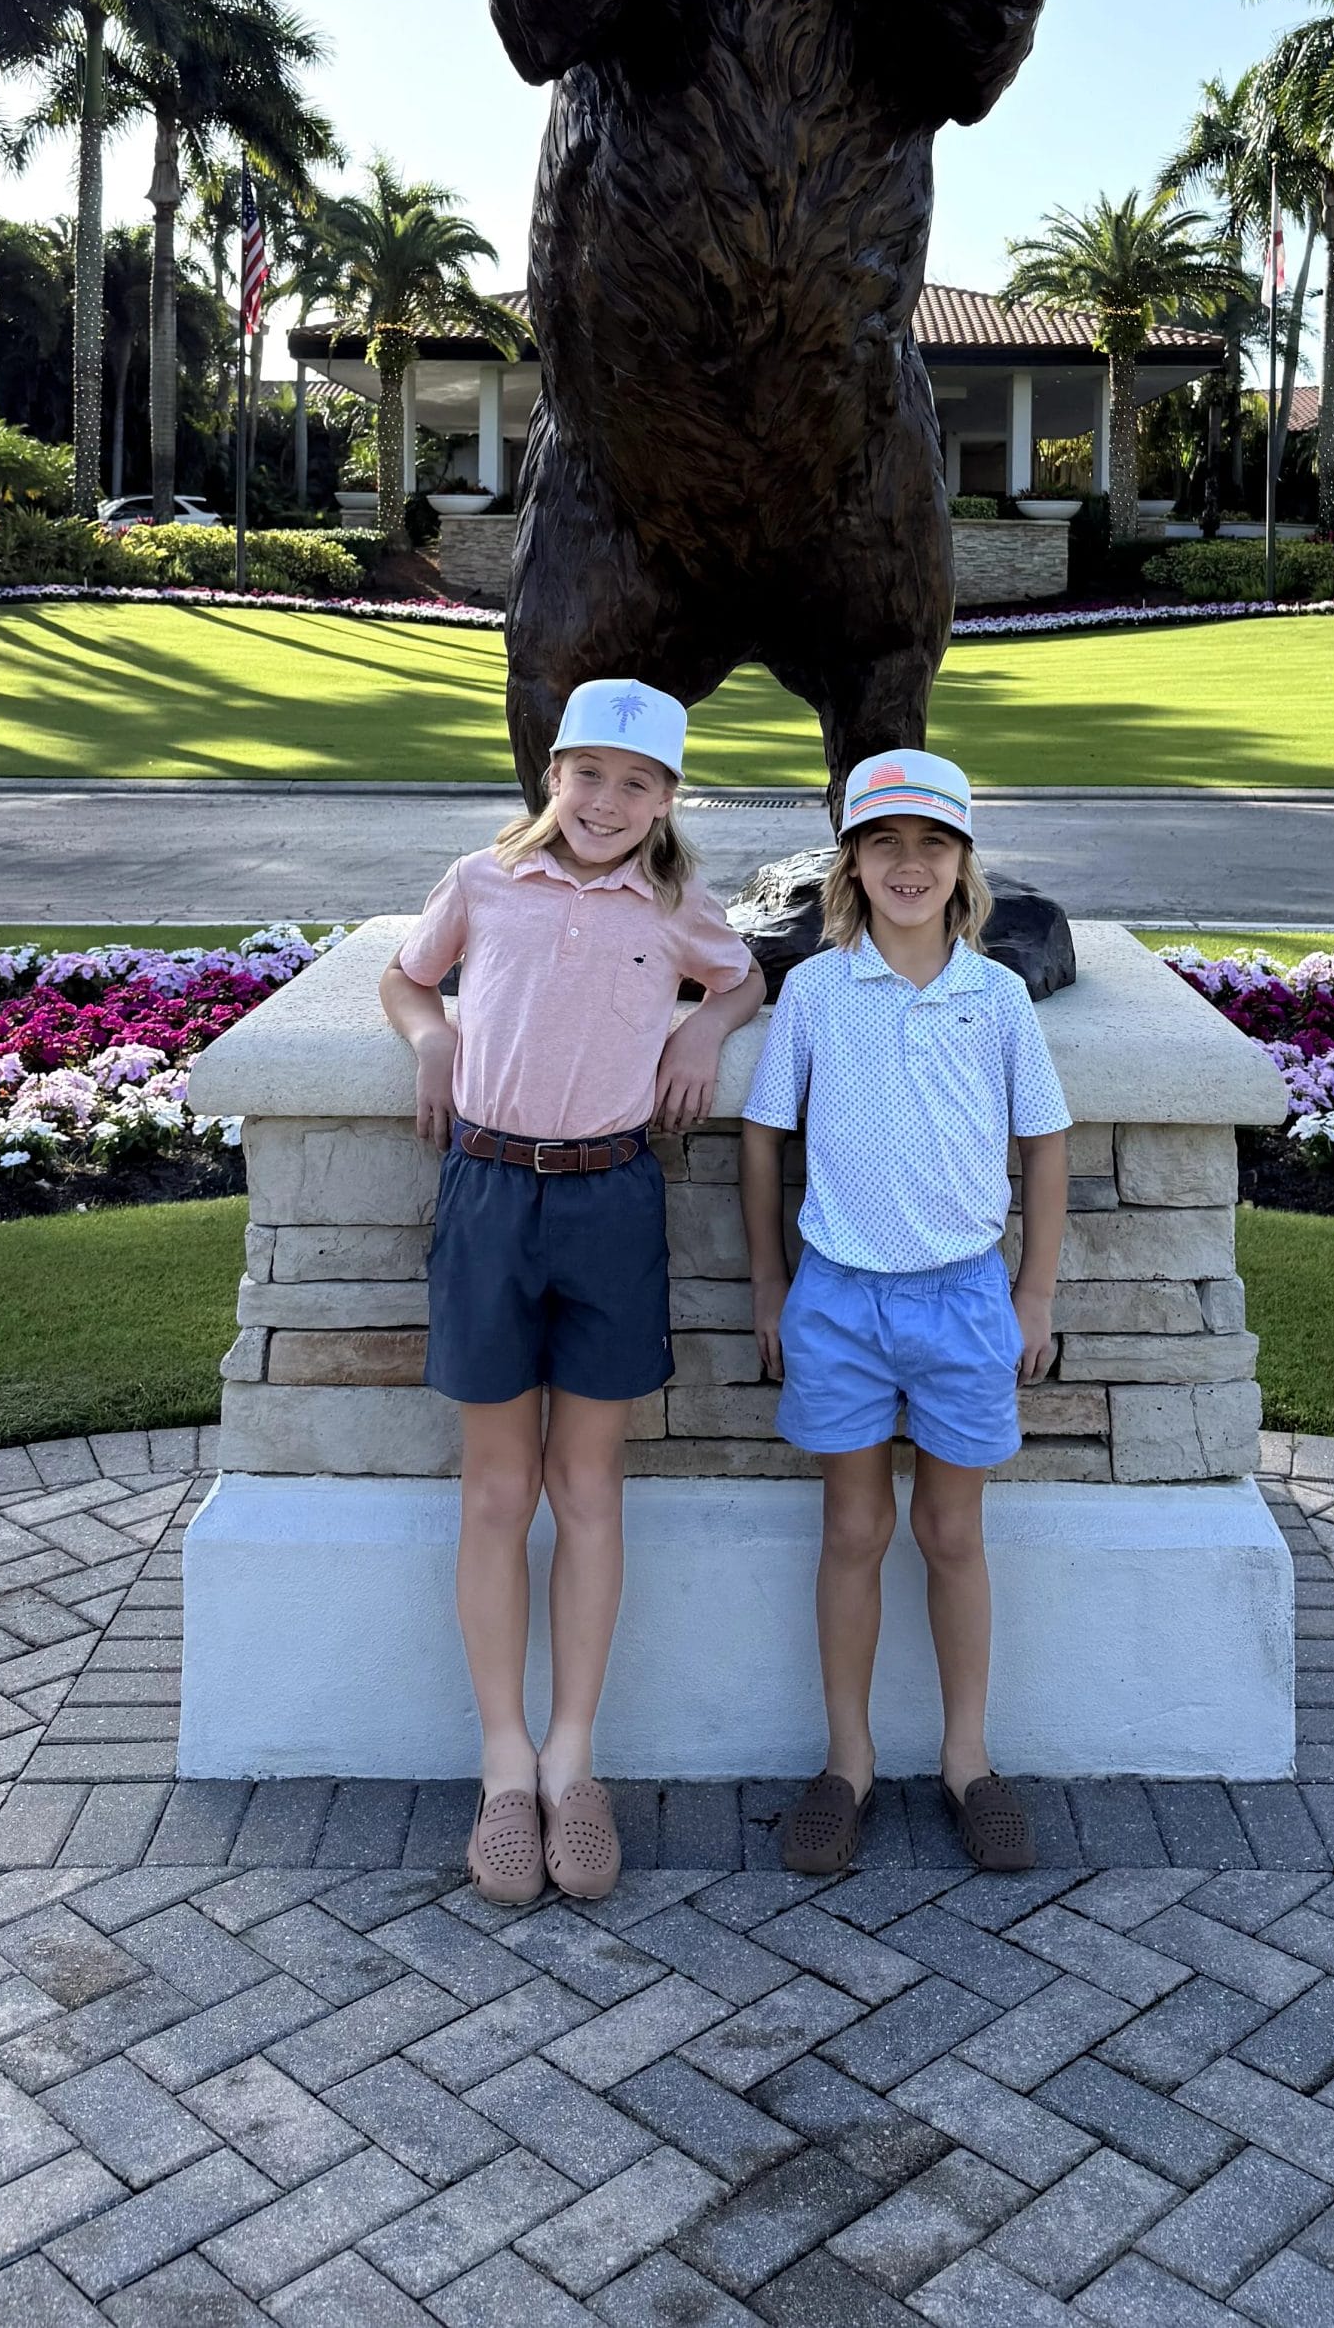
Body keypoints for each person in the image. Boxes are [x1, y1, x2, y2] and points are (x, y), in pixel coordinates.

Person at [382, 677, 763, 1905]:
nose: (606, 799)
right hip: (489, 1191)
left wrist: (702, 1031)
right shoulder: (483, 879)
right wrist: (430, 1037)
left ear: (666, 801)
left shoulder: (676, 902)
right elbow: (406, 977)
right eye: (588, 771)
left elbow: (741, 977)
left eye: (636, 781)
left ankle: (571, 1758)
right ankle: (504, 1764)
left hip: (611, 1199)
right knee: (498, 1486)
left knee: (587, 1485)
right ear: (552, 775)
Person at [739, 747, 1070, 1875]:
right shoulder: (816, 992)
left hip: (966, 1297)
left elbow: (1045, 1142)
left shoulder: (997, 997)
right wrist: (770, 1281)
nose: (909, 863)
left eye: (933, 842)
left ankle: (968, 1760)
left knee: (950, 1531)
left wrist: (1033, 1290)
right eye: (885, 841)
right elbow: (763, 1137)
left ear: (964, 862)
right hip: (838, 1298)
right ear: (852, 863)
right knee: (852, 1528)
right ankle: (848, 1760)